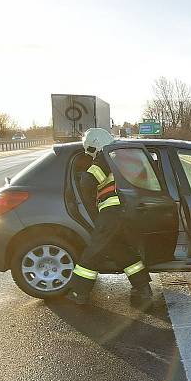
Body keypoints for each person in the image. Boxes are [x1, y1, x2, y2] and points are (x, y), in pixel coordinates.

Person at [65, 128, 152, 306]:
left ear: (96, 144)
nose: (90, 154)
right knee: (121, 251)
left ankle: (79, 293)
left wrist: (89, 197)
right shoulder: (122, 156)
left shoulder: (105, 157)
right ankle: (143, 288)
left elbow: (87, 181)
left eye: (90, 150)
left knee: (93, 251)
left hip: (112, 212)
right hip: (128, 212)